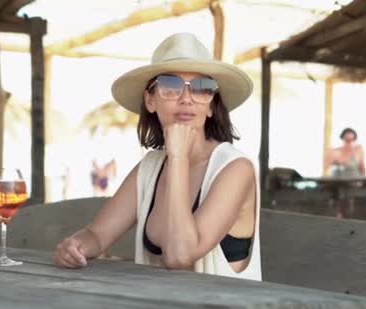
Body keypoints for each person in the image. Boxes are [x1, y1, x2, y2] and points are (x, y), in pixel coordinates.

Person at [53, 33, 261, 280]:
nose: (186, 99)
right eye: (170, 86)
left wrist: (178, 159)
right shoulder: (150, 167)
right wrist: (76, 246)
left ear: (211, 105)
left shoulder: (236, 169)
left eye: (201, 88)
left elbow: (179, 256)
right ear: (150, 100)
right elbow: (98, 235)